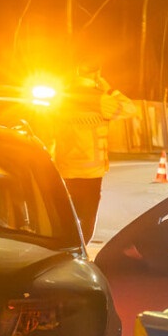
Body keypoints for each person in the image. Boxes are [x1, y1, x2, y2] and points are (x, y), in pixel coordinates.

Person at [45, 69, 132, 244]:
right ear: (97, 74)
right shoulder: (99, 98)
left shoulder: (61, 98)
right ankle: (78, 254)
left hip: (64, 170)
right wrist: (109, 89)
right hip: (90, 174)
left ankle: (63, 249)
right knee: (86, 222)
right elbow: (129, 109)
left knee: (65, 217)